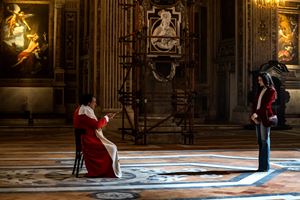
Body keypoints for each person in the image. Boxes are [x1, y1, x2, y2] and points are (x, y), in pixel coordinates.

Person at [73, 94, 122, 178]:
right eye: (94, 102)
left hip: (89, 138)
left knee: (112, 147)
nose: (95, 104)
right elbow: (96, 125)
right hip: (88, 141)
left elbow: (94, 124)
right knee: (112, 148)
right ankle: (102, 171)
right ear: (88, 103)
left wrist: (106, 118)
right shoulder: (84, 112)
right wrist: (106, 118)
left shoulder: (82, 109)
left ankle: (105, 170)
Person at [250, 72, 277, 172]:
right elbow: (256, 104)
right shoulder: (261, 89)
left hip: (265, 118)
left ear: (266, 80)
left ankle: (265, 167)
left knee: (265, 141)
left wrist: (256, 113)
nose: (259, 81)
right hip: (257, 117)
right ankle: (261, 166)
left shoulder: (271, 91)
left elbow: (266, 106)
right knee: (260, 142)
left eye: (260, 80)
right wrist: (253, 115)